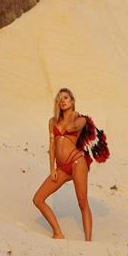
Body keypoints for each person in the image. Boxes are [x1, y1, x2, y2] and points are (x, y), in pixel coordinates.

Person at [33, 88, 94, 241]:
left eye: (66, 98)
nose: (62, 100)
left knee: (82, 202)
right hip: (61, 168)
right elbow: (52, 145)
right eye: (59, 98)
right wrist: (52, 168)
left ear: (72, 101)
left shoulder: (80, 119)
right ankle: (58, 233)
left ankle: (88, 242)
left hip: (77, 163)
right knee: (38, 199)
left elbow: (72, 128)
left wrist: (70, 116)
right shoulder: (52, 121)